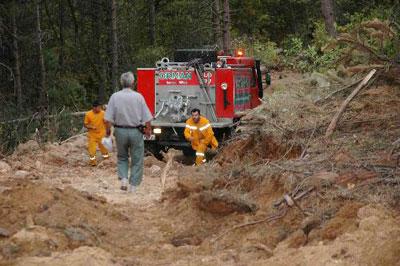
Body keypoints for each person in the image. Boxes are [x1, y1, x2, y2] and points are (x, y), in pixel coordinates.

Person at [104, 72, 153, 192]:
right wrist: (148, 130)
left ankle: (124, 178)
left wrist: (108, 131)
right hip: (136, 131)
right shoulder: (138, 97)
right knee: (137, 159)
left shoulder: (114, 97)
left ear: (122, 83)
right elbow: (147, 117)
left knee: (122, 157)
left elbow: (107, 118)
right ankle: (134, 185)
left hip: (120, 131)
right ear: (133, 83)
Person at [84, 100, 109, 166]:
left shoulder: (103, 113)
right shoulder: (88, 114)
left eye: (100, 107)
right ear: (94, 107)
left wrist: (108, 130)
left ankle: (106, 160)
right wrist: (91, 127)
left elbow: (106, 122)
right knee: (92, 150)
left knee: (104, 149)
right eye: (98, 107)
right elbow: (85, 124)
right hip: (92, 135)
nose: (100, 108)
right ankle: (93, 163)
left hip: (102, 134)